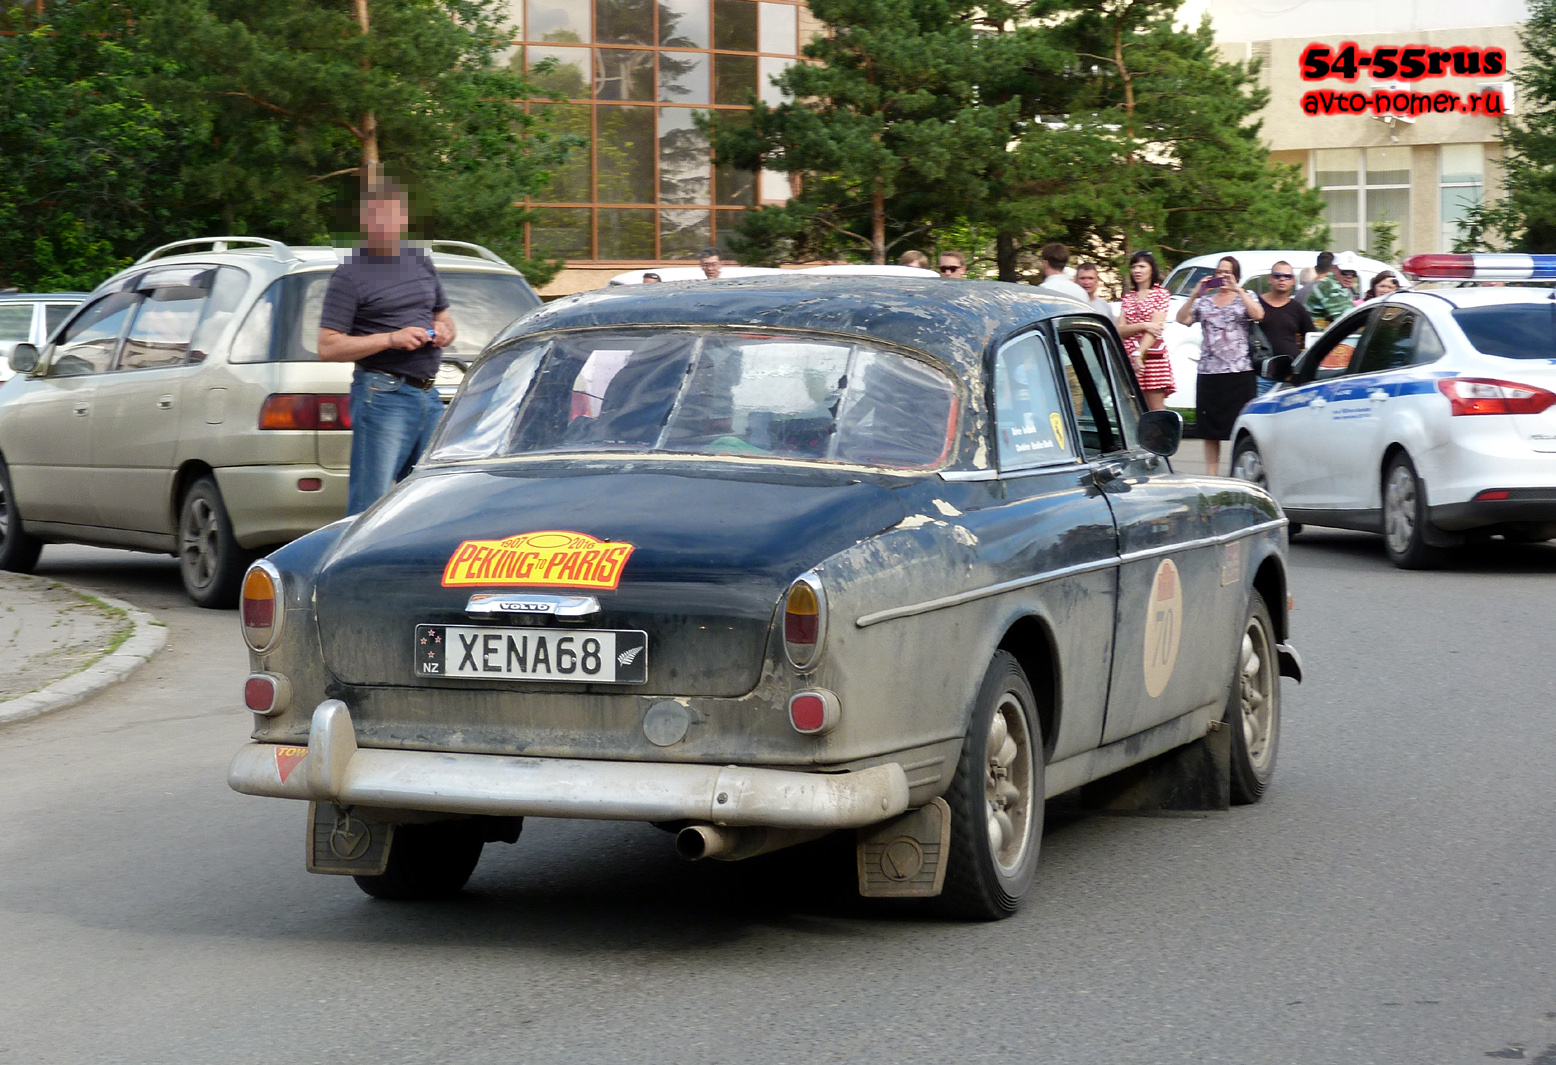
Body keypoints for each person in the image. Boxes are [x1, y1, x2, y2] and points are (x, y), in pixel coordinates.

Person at [318, 181, 456, 516]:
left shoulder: (420, 262)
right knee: (372, 504)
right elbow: (327, 346)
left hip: (428, 396)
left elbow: (446, 318)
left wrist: (443, 332)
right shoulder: (350, 275)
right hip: (382, 395)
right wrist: (392, 339)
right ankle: (356, 568)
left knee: (432, 498)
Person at [1176, 255, 1263, 474]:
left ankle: (1238, 471)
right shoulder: (1204, 301)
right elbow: (1182, 319)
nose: (1222, 276)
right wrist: (1195, 294)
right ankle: (1212, 475)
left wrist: (1239, 290)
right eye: (1219, 272)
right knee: (1210, 430)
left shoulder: (1246, 296)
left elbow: (1258, 314)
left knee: (1241, 426)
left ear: (1237, 276)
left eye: (1228, 272)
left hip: (1239, 371)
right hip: (1209, 371)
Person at [1118, 250, 1173, 411]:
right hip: (1128, 356)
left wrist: (1139, 354)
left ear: (1151, 269)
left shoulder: (1161, 294)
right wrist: (1143, 325)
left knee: (1155, 409)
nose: (1137, 271)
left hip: (1151, 356)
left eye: (1142, 266)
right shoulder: (1128, 298)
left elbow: (1155, 328)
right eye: (1134, 267)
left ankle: (1160, 436)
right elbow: (1120, 330)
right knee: (1131, 409)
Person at [1255, 260, 1314, 396]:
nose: (1282, 279)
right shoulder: (1256, 305)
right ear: (1270, 279)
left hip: (1289, 378)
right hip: (1261, 377)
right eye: (1277, 275)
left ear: (1293, 281)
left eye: (1287, 276)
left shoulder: (1297, 308)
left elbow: (1312, 338)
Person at [1299, 251, 1352, 327]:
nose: (1350, 276)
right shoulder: (1332, 288)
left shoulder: (1301, 292)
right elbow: (1347, 322)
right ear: (1333, 269)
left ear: (1316, 269)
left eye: (1353, 273)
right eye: (1345, 272)